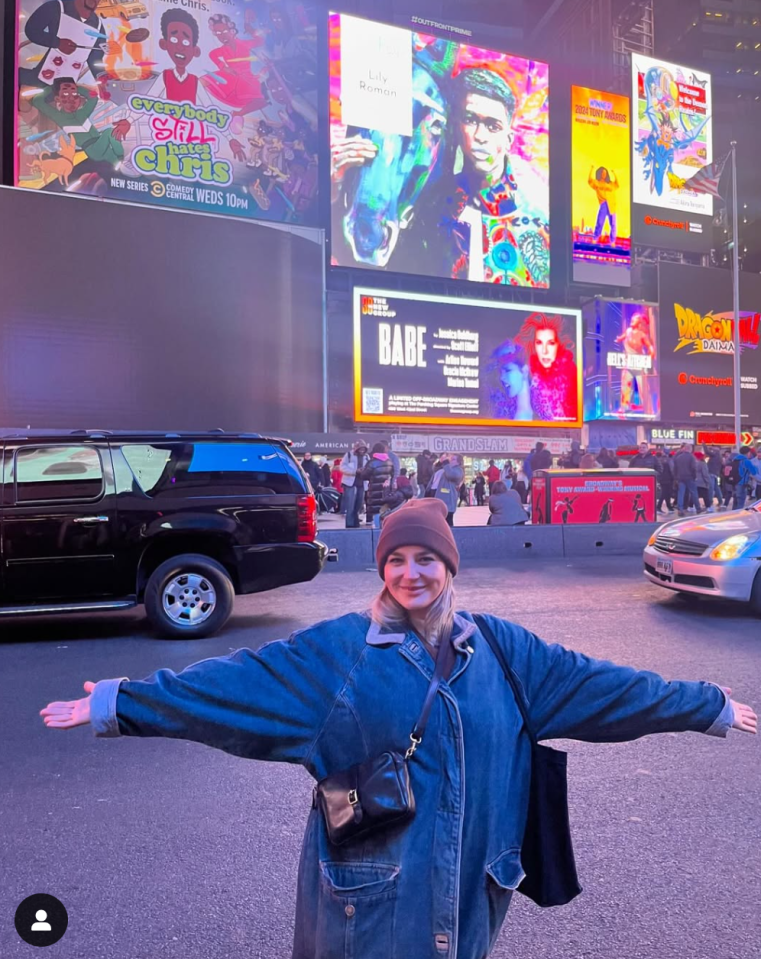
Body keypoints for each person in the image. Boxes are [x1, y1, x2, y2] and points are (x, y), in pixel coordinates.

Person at [40, 499, 756, 958]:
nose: (410, 572)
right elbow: (233, 685)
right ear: (381, 568)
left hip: (472, 894)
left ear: (448, 564)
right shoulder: (338, 652)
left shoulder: (503, 650)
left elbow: (604, 687)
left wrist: (704, 704)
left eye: (425, 558)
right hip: (367, 907)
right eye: (395, 559)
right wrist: (119, 701)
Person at [431, 68, 550, 287]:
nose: (480, 136)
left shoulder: (538, 216)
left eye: (492, 126)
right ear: (456, 128)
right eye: (471, 120)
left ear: (508, 140)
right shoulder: (430, 207)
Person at [516, 314, 579, 423]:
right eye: (539, 343)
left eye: (551, 343)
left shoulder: (571, 376)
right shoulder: (531, 377)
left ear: (559, 345)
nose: (545, 351)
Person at [484, 340, 533, 421]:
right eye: (500, 372)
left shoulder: (544, 417)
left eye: (508, 370)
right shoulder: (501, 415)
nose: (502, 378)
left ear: (524, 371)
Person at [361, 442, 395, 528]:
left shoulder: (372, 462)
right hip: (386, 490)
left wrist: (360, 472)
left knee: (374, 509)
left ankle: (374, 527)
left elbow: (364, 475)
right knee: (383, 508)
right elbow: (392, 475)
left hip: (374, 490)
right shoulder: (389, 462)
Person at [588, 165, 620, 244]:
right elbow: (589, 181)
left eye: (605, 173)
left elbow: (617, 184)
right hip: (604, 203)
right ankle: (595, 238)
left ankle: (612, 241)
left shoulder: (610, 183)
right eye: (602, 173)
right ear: (599, 173)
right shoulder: (597, 183)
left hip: (612, 204)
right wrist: (591, 169)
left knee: (613, 223)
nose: (604, 174)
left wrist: (614, 173)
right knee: (600, 221)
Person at [340, 440, 367, 529]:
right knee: (350, 504)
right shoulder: (348, 455)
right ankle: (350, 523)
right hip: (350, 483)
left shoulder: (366, 457)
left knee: (359, 504)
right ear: (356, 448)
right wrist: (354, 472)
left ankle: (355, 522)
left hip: (362, 483)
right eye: (360, 449)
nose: (362, 451)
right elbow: (342, 467)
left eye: (363, 449)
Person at [434, 455, 465, 527]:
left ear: (458, 462)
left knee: (448, 522)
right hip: (442, 501)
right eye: (450, 459)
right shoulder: (448, 469)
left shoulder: (458, 470)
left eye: (453, 459)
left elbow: (451, 475)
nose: (450, 461)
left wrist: (446, 463)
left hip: (449, 501)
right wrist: (440, 462)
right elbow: (435, 470)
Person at [674, 443, 701, 517]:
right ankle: (698, 508)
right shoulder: (692, 457)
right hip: (690, 478)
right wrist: (694, 476)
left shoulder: (678, 457)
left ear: (684, 448)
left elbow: (675, 469)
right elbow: (693, 468)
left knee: (681, 493)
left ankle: (680, 509)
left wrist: (676, 478)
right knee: (694, 493)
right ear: (690, 449)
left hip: (680, 478)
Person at [724, 446, 755, 511]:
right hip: (742, 484)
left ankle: (733, 516)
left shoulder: (735, 459)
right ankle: (738, 517)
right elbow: (754, 472)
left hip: (734, 483)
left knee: (735, 502)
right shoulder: (746, 461)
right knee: (740, 503)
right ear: (748, 453)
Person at [655, 450, 676, 515]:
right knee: (666, 493)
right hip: (668, 479)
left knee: (665, 493)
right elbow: (672, 470)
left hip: (661, 479)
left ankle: (669, 507)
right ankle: (659, 507)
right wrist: (674, 478)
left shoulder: (659, 459)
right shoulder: (669, 460)